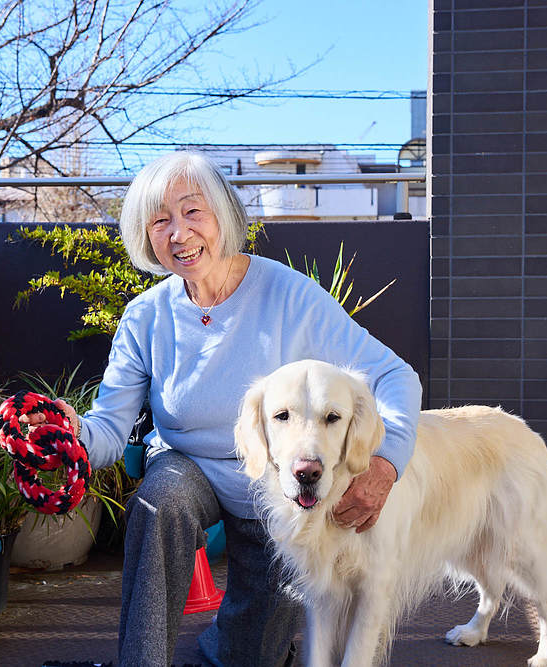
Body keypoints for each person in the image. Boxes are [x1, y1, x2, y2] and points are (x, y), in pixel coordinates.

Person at [21, 151, 421, 666]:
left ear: (224, 217)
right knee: (157, 499)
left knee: (247, 657)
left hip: (279, 490)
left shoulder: (289, 296)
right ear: (147, 237)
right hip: (188, 470)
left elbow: (395, 376)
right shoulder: (146, 317)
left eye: (193, 212)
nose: (179, 233)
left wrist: (385, 465)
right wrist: (68, 431)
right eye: (160, 220)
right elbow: (110, 428)